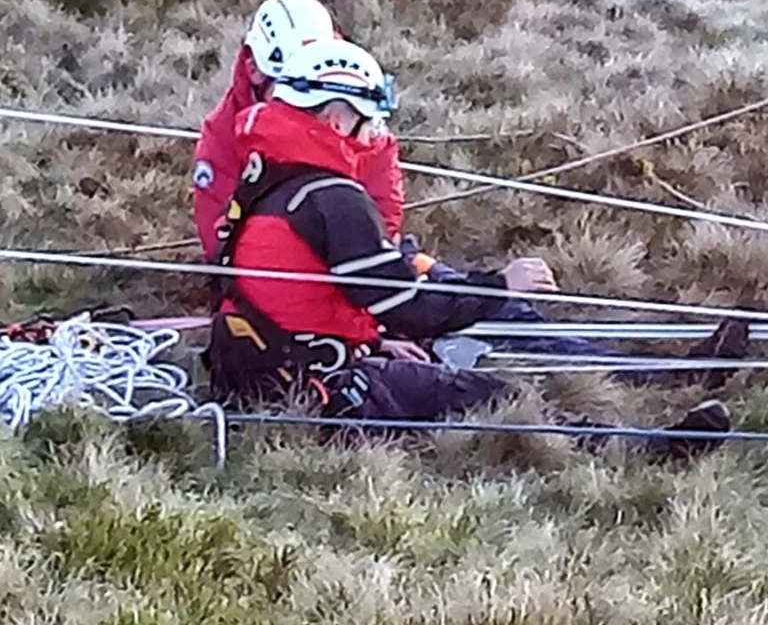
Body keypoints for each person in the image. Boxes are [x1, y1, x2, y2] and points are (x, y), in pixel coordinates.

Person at [205, 37, 735, 454]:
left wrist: (371, 342)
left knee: (464, 375)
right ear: (337, 118)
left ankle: (656, 392)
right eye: (370, 120)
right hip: (316, 388)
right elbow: (410, 308)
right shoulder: (332, 197)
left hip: (268, 370)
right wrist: (499, 285)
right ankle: (638, 450)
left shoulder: (269, 176)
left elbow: (306, 294)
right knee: (493, 396)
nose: (375, 135)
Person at [191, 0, 405, 259]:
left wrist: (371, 256)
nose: (307, 107)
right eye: (293, 89)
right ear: (254, 71)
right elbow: (219, 241)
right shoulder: (223, 137)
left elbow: (383, 205)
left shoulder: (353, 101)